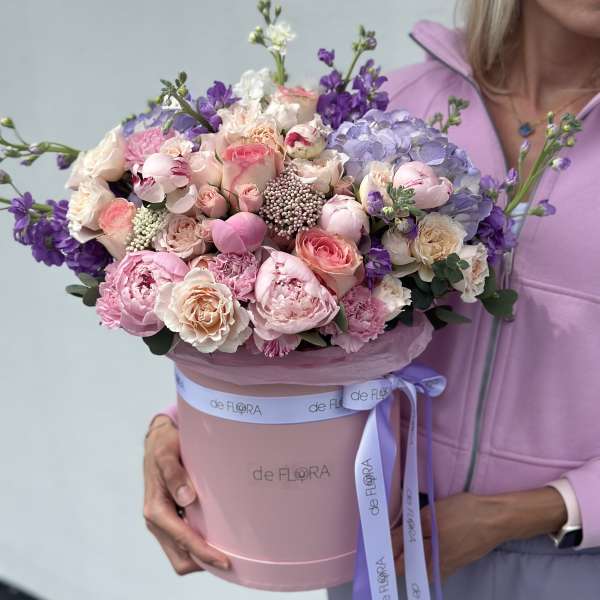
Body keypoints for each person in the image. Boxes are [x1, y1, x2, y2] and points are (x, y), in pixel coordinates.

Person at [143, 0, 600, 597]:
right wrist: (181, 429)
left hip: (569, 560)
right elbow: (297, 308)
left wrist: (536, 510)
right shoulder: (395, 112)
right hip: (380, 536)